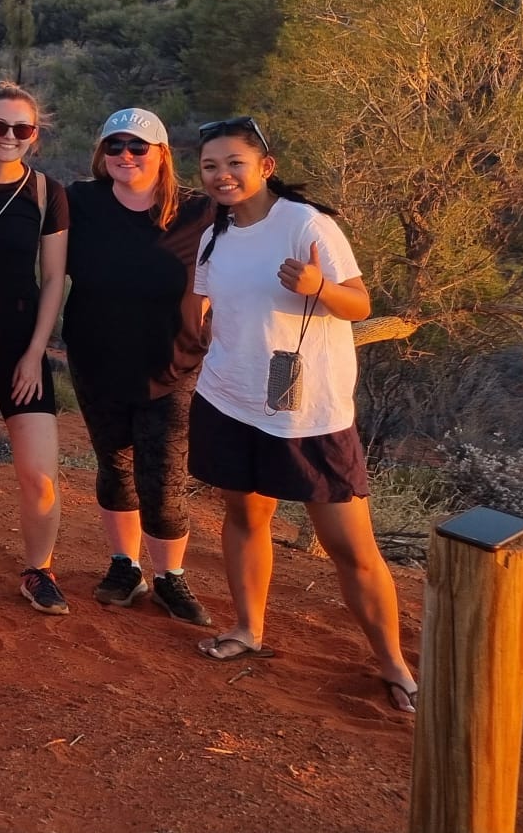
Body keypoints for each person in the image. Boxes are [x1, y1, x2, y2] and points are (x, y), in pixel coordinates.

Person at [190, 117, 418, 713]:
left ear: (265, 166)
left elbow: (359, 303)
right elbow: (208, 301)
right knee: (245, 515)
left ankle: (394, 665)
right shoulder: (215, 235)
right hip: (230, 397)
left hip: (308, 410)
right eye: (211, 166)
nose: (222, 175)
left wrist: (319, 286)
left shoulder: (306, 225)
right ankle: (248, 628)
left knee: (349, 543)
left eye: (235, 162)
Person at [61, 108, 216, 625]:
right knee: (116, 467)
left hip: (173, 363)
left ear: (162, 154)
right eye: (114, 146)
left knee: (163, 477)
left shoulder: (199, 211)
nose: (125, 156)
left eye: (137, 147)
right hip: (97, 359)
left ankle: (171, 576)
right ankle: (126, 566)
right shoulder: (81, 202)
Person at [0, 82, 73, 614]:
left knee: (38, 473)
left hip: (22, 340)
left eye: (21, 129)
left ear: (34, 135)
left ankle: (38, 568)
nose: (9, 136)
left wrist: (35, 353)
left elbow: (52, 280)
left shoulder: (47, 192)